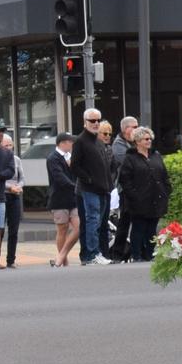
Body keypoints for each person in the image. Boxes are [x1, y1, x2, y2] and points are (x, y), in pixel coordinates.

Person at [117, 127, 171, 262]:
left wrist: (166, 191)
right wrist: (135, 196)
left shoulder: (156, 156)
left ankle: (151, 254)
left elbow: (164, 176)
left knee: (152, 229)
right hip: (138, 201)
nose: (149, 141)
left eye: (150, 139)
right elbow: (125, 180)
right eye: (146, 139)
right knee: (139, 229)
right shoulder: (130, 158)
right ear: (137, 141)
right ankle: (137, 255)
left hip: (156, 199)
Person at [71, 108, 113, 265]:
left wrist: (108, 185)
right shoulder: (80, 141)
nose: (96, 123)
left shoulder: (98, 141)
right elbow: (74, 165)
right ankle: (91, 254)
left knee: (99, 222)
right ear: (85, 122)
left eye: (98, 120)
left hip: (102, 188)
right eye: (92, 121)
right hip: (89, 189)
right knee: (92, 220)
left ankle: (95, 253)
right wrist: (88, 179)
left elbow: (105, 166)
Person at [109, 116, 139, 262]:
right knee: (125, 222)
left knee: (136, 222)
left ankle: (136, 251)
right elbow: (130, 163)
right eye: (134, 127)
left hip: (138, 189)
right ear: (126, 129)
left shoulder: (133, 144)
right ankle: (118, 253)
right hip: (125, 190)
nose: (137, 129)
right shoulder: (118, 146)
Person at [47, 133, 79, 268]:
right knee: (62, 229)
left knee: (79, 226)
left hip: (72, 198)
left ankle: (61, 256)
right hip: (59, 199)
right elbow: (59, 177)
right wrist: (76, 186)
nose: (72, 145)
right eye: (70, 142)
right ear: (63, 143)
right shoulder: (53, 158)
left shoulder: (70, 157)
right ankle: (64, 261)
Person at [1, 134, 23, 268]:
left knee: (14, 229)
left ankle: (11, 260)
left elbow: (22, 177)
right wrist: (10, 187)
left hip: (15, 196)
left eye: (10, 145)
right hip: (2, 195)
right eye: (5, 145)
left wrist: (19, 186)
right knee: (0, 229)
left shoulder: (16, 159)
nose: (8, 147)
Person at [0, 126, 11, 271]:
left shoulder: (7, 153)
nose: (0, 134)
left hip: (0, 197)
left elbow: (11, 171)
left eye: (1, 131)